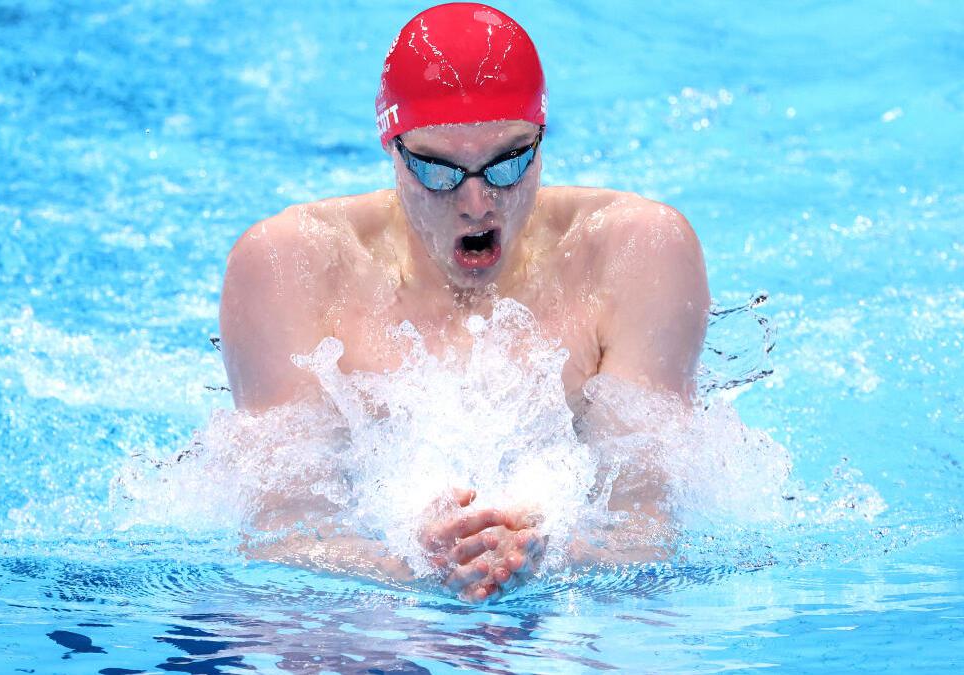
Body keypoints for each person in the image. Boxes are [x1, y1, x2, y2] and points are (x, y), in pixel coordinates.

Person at [219, 3, 709, 602]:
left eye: (509, 162)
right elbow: (281, 535)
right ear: (392, 149)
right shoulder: (289, 265)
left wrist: (551, 553)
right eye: (438, 170)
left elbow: (648, 525)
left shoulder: (636, 253)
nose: (478, 202)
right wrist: (408, 563)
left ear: (543, 137)